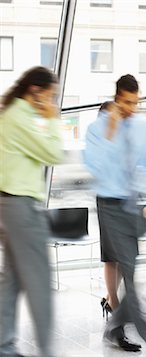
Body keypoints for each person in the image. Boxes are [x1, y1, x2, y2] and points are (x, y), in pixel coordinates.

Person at [83, 74, 146, 354]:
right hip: (109, 205)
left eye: (135, 103)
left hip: (133, 207)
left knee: (132, 270)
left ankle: (114, 328)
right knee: (129, 273)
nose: (131, 108)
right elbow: (95, 167)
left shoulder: (143, 128)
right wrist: (112, 133)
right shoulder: (97, 128)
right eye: (126, 102)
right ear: (117, 98)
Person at [0, 66, 63, 357]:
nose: (52, 103)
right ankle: (47, 351)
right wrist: (52, 121)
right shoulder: (19, 117)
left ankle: (4, 346)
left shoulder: (11, 113)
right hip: (22, 207)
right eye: (50, 96)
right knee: (38, 281)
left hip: (9, 207)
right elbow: (53, 153)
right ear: (35, 91)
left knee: (11, 280)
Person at [95, 100, 122, 320]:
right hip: (107, 201)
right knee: (111, 256)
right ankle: (114, 302)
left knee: (123, 255)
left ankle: (109, 298)